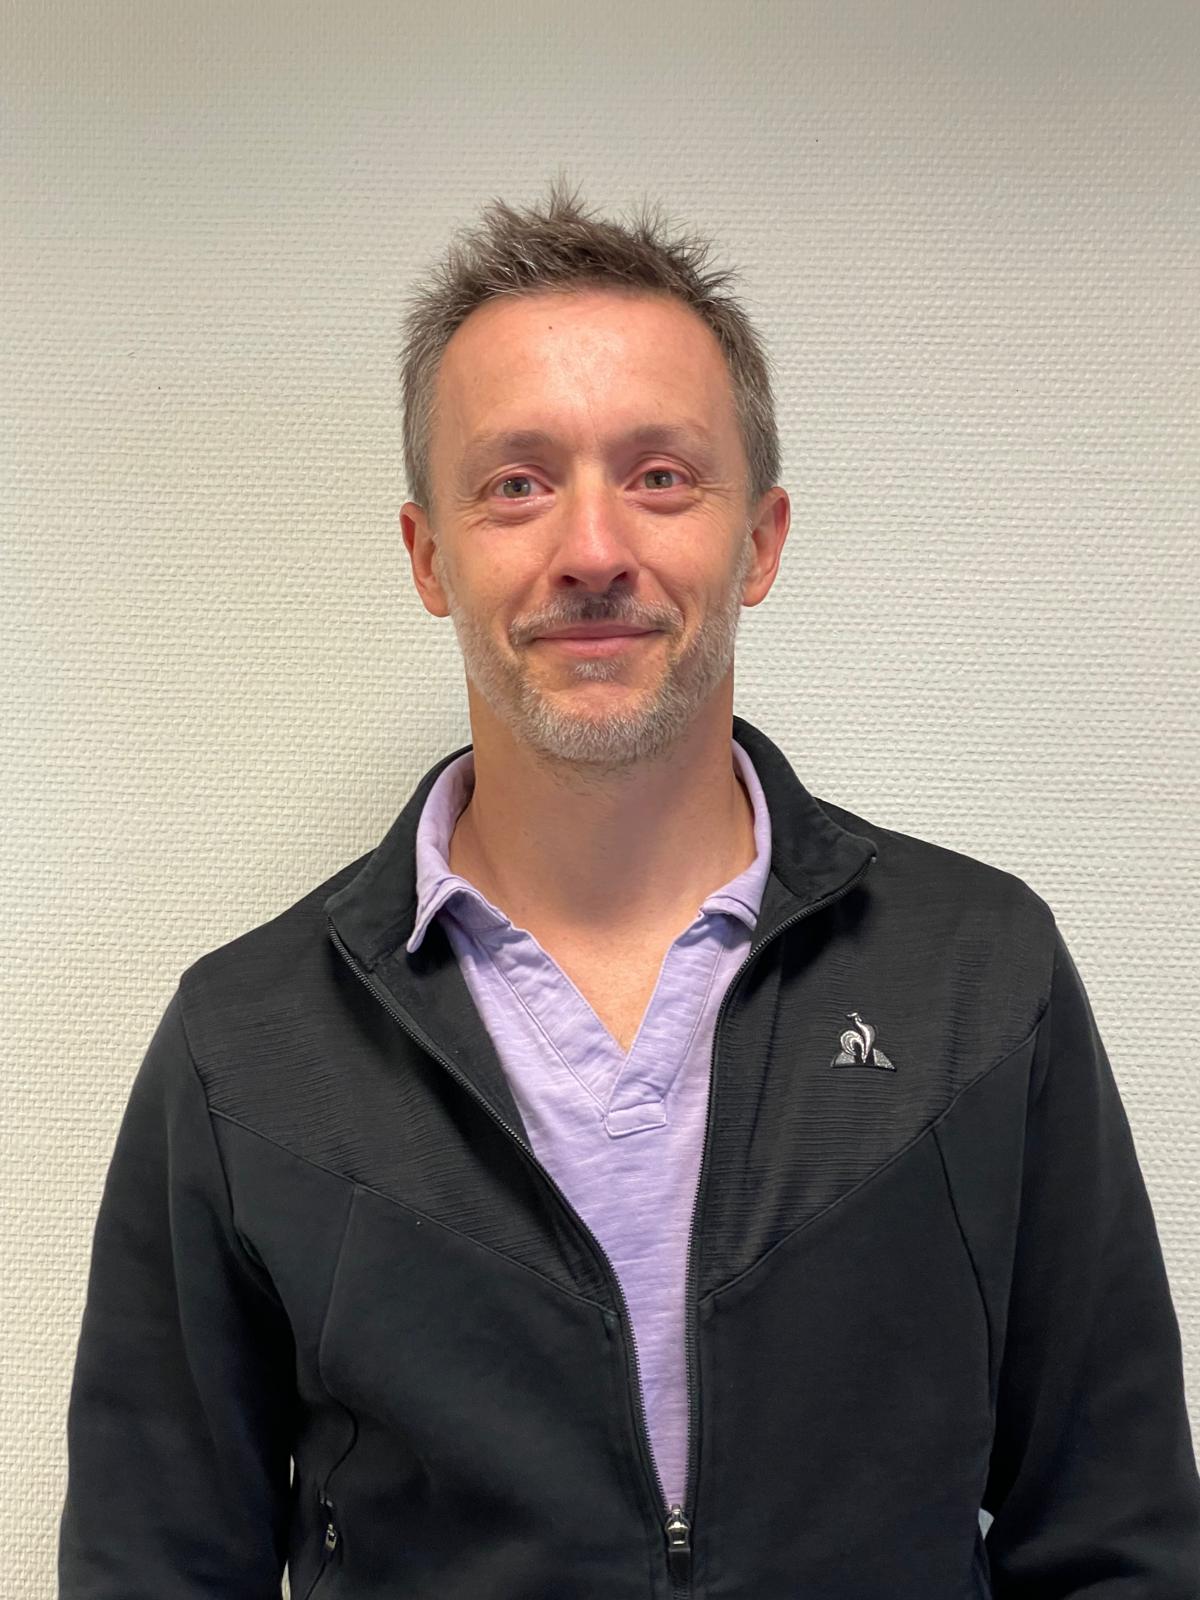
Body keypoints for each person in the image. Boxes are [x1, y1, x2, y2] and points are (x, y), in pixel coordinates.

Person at [58, 178, 1200, 1599]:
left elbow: (1116, 1537)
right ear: (429, 556)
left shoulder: (980, 979)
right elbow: (152, 1566)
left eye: (660, 476)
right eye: (516, 484)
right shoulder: (245, 1052)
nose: (592, 550)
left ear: (760, 540)